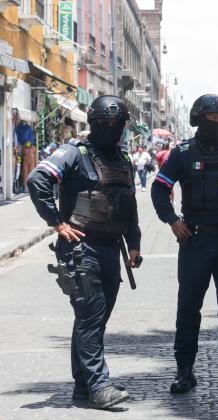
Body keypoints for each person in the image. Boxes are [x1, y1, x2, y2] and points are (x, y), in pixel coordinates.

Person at [27, 95, 142, 409]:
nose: (110, 128)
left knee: (95, 320)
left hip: (111, 248)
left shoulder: (122, 159)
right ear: (93, 122)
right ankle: (99, 385)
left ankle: (83, 387)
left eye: (115, 123)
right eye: (104, 122)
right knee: (90, 317)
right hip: (81, 249)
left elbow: (129, 204)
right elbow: (38, 179)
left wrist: (134, 243)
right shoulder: (73, 153)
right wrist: (56, 222)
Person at [151, 94, 218, 394]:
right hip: (195, 241)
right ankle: (184, 371)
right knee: (188, 308)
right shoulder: (182, 153)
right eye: (211, 118)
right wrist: (172, 221)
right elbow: (159, 189)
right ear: (198, 119)